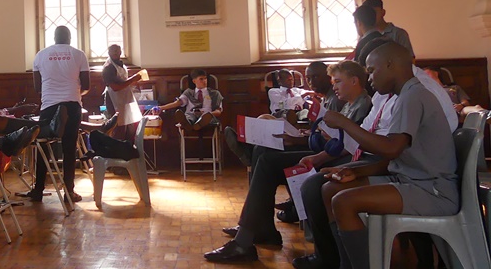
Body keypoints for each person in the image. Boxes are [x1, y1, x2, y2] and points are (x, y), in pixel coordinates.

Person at [204, 60, 372, 263]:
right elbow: (339, 138)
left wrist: (315, 152)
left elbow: (349, 145)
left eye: (337, 81)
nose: (334, 85)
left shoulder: (363, 105)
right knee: (264, 155)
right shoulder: (351, 104)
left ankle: (250, 235)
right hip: (327, 153)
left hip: (339, 160)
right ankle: (256, 229)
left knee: (266, 161)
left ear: (354, 81)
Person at [321, 42, 457, 269]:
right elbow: (399, 158)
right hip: (410, 180)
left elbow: (391, 148)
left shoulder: (415, 95)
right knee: (331, 188)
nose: (370, 79)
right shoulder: (404, 95)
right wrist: (353, 171)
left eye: (372, 71)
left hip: (432, 190)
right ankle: (347, 264)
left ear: (390, 65)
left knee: (344, 202)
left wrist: (344, 123)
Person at [25, 26, 89, 203]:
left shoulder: (40, 55)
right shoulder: (79, 54)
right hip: (72, 105)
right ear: (69, 37)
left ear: (54, 38)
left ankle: (38, 190)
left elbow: (38, 87)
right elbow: (87, 85)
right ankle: (69, 191)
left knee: (43, 147)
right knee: (69, 148)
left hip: (48, 106)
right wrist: (73, 92)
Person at [100, 44, 144, 142]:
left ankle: (127, 149)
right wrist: (133, 79)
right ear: (108, 53)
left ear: (121, 52)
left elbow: (122, 81)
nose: (115, 52)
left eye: (117, 50)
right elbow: (115, 87)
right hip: (114, 100)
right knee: (118, 127)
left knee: (129, 126)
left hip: (125, 98)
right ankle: (118, 151)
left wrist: (134, 82)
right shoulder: (108, 67)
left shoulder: (121, 64)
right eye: (112, 50)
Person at [156, 69, 224, 131]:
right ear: (194, 81)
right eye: (201, 79)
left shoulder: (215, 93)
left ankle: (196, 124)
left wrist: (209, 114)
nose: (204, 81)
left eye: (205, 79)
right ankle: (188, 124)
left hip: (208, 116)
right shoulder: (188, 92)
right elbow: (178, 103)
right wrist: (161, 108)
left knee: (206, 118)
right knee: (189, 117)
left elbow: (218, 111)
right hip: (191, 115)